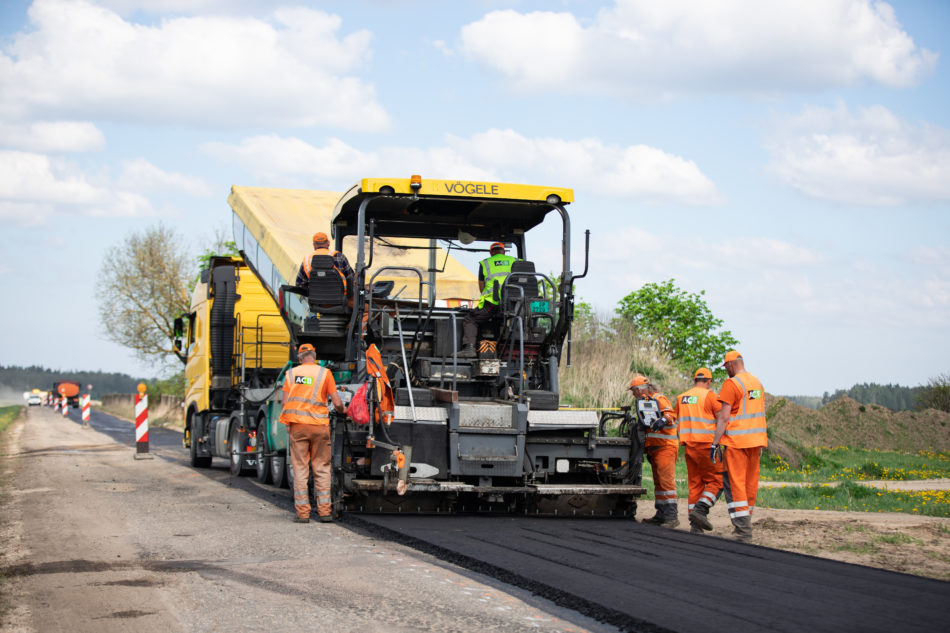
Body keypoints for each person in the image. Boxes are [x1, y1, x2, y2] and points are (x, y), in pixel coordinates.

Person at [278, 343, 345, 523]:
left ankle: (303, 514)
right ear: (314, 356)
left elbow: (284, 403)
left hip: (298, 427)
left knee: (300, 469)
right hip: (319, 427)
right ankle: (324, 512)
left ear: (300, 358)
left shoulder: (291, 374)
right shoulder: (325, 373)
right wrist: (342, 409)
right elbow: (336, 401)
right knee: (322, 468)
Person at [711, 350, 766, 541]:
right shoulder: (757, 383)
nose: (726, 370)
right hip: (756, 442)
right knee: (750, 483)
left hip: (737, 442)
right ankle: (746, 522)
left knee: (736, 484)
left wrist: (715, 443)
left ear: (732, 365)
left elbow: (724, 417)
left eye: (726, 367)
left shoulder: (731, 384)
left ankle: (743, 530)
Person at [675, 367, 724, 534]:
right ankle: (700, 510)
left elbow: (675, 419)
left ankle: (694, 524)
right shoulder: (710, 396)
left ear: (695, 380)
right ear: (709, 381)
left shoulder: (682, 398)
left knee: (695, 484)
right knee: (718, 481)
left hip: (689, 447)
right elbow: (722, 419)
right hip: (707, 446)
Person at [629, 375, 680, 527]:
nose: (633, 394)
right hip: (655, 448)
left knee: (666, 482)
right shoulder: (645, 402)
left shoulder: (658, 399)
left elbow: (671, 415)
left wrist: (662, 421)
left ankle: (672, 517)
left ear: (639, 390)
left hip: (665, 446)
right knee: (659, 483)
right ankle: (661, 514)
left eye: (633, 391)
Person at [459, 241, 518, 358]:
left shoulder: (485, 263)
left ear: (491, 252)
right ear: (504, 252)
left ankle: (469, 348)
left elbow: (482, 288)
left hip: (493, 303)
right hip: (514, 305)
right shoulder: (515, 261)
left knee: (470, 319)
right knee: (500, 322)